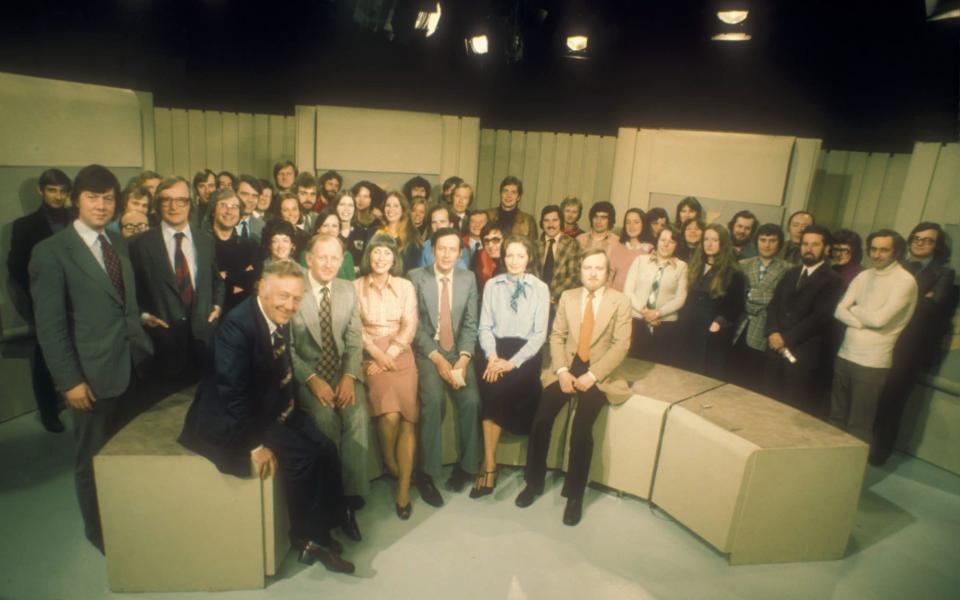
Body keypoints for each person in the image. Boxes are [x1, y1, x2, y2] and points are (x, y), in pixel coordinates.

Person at [178, 260, 355, 574]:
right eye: (283, 296)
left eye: (296, 298)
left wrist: (290, 412)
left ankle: (326, 526)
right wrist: (254, 446)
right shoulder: (237, 326)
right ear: (262, 288)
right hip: (238, 417)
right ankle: (308, 539)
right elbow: (232, 394)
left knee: (325, 447)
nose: (290, 305)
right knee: (303, 457)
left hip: (269, 405)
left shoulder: (274, 315)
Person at [29, 164, 153, 550]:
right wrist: (70, 382)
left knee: (126, 455)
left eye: (108, 198)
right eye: (92, 197)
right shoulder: (51, 253)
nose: (101, 206)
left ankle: (127, 518)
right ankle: (100, 533)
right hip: (91, 378)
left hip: (131, 367)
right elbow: (50, 328)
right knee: (93, 460)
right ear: (75, 200)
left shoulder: (116, 243)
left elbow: (120, 304)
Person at [514, 249, 631, 526]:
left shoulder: (621, 301)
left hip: (600, 373)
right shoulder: (569, 297)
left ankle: (575, 496)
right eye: (587, 268)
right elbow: (557, 336)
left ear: (608, 273)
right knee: (541, 419)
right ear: (580, 271)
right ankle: (534, 483)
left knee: (581, 429)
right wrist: (563, 371)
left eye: (598, 269)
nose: (592, 273)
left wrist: (593, 375)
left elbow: (621, 345)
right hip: (566, 368)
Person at [291, 234, 369, 541]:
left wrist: (349, 377)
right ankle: (330, 500)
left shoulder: (348, 290)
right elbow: (286, 348)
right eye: (322, 257)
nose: (328, 264)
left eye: (335, 258)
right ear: (308, 258)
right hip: (308, 375)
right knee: (324, 422)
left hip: (341, 373)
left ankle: (349, 502)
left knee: (358, 418)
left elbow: (353, 341)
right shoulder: (294, 288)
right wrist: (311, 380)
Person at [872, 223, 956, 465]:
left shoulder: (944, 273)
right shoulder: (897, 266)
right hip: (883, 341)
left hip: (910, 349)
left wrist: (899, 299)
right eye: (917, 238)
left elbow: (933, 305)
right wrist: (918, 296)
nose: (920, 243)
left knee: (893, 401)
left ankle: (879, 454)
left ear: (937, 246)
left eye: (928, 240)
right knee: (872, 397)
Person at [409, 228, 482, 506]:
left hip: (458, 352)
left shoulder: (468, 278)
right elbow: (414, 326)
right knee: (434, 400)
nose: (447, 254)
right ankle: (426, 474)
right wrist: (437, 359)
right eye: (442, 248)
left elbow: (470, 324)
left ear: (460, 253)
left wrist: (463, 359)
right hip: (429, 352)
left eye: (453, 249)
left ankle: (466, 467)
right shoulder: (416, 277)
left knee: (472, 401)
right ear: (432, 250)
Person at [129, 177, 224, 390]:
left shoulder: (205, 240)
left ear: (190, 204)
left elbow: (217, 280)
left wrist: (217, 306)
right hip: (162, 345)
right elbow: (129, 291)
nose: (174, 207)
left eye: (181, 200)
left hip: (202, 341)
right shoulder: (140, 244)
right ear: (157, 205)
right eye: (166, 200)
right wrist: (143, 317)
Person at [474, 235, 549, 498]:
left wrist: (511, 363)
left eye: (520, 255)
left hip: (525, 355)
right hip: (496, 349)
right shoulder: (493, 285)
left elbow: (539, 335)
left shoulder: (540, 288)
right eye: (509, 256)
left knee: (498, 390)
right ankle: (491, 463)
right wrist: (493, 357)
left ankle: (488, 466)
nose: (515, 261)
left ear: (529, 258)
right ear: (502, 258)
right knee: (489, 385)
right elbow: (484, 327)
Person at [353, 235, 419, 519]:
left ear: (394, 259)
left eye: (387, 254)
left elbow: (410, 324)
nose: (381, 258)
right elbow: (355, 327)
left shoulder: (405, 286)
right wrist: (377, 356)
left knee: (407, 418)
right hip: (369, 354)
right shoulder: (355, 286)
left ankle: (402, 489)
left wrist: (389, 354)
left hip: (401, 353)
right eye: (376, 252)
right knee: (389, 416)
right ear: (369, 256)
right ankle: (391, 463)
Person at [831, 230, 917, 445]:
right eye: (874, 249)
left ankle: (848, 475)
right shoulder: (864, 275)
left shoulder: (905, 281)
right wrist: (861, 319)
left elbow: (880, 320)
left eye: (884, 250)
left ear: (896, 252)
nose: (877, 255)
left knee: (859, 425)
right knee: (835, 418)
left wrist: (856, 309)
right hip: (845, 354)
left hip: (872, 363)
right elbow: (839, 310)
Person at [7, 168, 73, 432]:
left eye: (62, 191)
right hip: (45, 301)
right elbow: (16, 267)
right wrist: (40, 294)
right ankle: (48, 411)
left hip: (77, 299)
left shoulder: (75, 218)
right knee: (45, 356)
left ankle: (73, 400)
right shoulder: (25, 226)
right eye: (52, 190)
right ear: (41, 191)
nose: (58, 196)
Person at [760, 224, 843, 414]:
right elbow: (774, 304)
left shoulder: (833, 280)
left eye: (815, 244)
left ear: (827, 248)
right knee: (766, 404)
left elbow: (819, 317)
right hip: (774, 348)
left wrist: (785, 339)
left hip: (803, 353)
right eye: (805, 244)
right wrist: (772, 332)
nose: (808, 248)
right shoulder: (791, 273)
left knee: (792, 408)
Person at [677, 224, 746, 379]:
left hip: (712, 332)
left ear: (723, 243)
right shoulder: (695, 265)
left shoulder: (733, 272)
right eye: (706, 239)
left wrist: (718, 323)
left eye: (714, 240)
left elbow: (737, 305)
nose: (709, 243)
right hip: (688, 327)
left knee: (704, 375)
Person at [730, 223, 789, 392]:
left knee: (753, 383)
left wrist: (752, 295)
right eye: (763, 240)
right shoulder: (743, 264)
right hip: (739, 327)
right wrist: (763, 297)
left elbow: (780, 302)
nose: (767, 244)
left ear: (779, 243)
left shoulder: (788, 269)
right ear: (756, 242)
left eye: (772, 240)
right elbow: (736, 298)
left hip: (764, 331)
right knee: (731, 377)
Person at [623, 225, 688, 363]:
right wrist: (645, 311)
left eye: (671, 242)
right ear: (656, 241)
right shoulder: (640, 260)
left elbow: (681, 298)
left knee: (660, 369)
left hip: (665, 325)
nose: (666, 244)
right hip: (637, 322)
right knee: (633, 364)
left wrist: (658, 313)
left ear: (676, 245)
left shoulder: (682, 266)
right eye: (663, 240)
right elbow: (628, 291)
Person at [209, 189, 259, 315]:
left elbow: (251, 284)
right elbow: (206, 285)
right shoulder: (202, 244)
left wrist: (225, 276)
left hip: (240, 314)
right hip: (210, 314)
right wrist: (237, 278)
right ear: (213, 210)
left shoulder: (249, 245)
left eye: (234, 207)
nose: (229, 211)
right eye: (223, 205)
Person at [537, 205, 582, 312]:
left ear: (561, 222)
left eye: (555, 220)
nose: (550, 224)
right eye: (546, 220)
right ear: (542, 223)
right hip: (537, 302)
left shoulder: (572, 244)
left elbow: (575, 276)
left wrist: (552, 296)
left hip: (561, 303)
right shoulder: (535, 245)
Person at [375, 190, 423, 272]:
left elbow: (414, 270)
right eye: (388, 205)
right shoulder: (374, 233)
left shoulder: (412, 236)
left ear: (403, 209)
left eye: (396, 206)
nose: (391, 209)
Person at [608, 208, 653, 291]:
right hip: (615, 296)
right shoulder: (617, 247)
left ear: (644, 224)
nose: (631, 226)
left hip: (638, 298)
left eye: (636, 222)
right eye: (628, 222)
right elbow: (609, 276)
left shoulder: (651, 250)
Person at [485, 175, 538, 241]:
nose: (508, 195)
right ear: (500, 193)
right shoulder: (487, 215)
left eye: (513, 192)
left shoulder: (528, 221)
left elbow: (533, 248)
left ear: (518, 197)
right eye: (505, 191)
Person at [419, 204, 469, 270]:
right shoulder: (424, 247)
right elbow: (421, 274)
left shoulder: (463, 249)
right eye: (434, 222)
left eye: (442, 222)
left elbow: (463, 275)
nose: (438, 226)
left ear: (451, 224)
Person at [316, 207, 357, 279]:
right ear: (318, 229)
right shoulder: (308, 254)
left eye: (334, 226)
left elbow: (352, 286)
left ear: (339, 230)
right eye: (325, 225)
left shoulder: (347, 256)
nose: (330, 230)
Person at [471, 222, 505, 294]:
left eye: (495, 240)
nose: (490, 245)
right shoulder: (478, 257)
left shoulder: (516, 261)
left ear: (505, 240)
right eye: (486, 241)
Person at [351, 180, 382, 256]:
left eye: (366, 196)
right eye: (358, 196)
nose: (361, 200)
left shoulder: (377, 222)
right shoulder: (349, 219)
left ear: (371, 199)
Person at [235, 175, 266, 243]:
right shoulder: (222, 223)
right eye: (245, 194)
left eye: (254, 196)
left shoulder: (262, 226)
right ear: (234, 194)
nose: (250, 200)